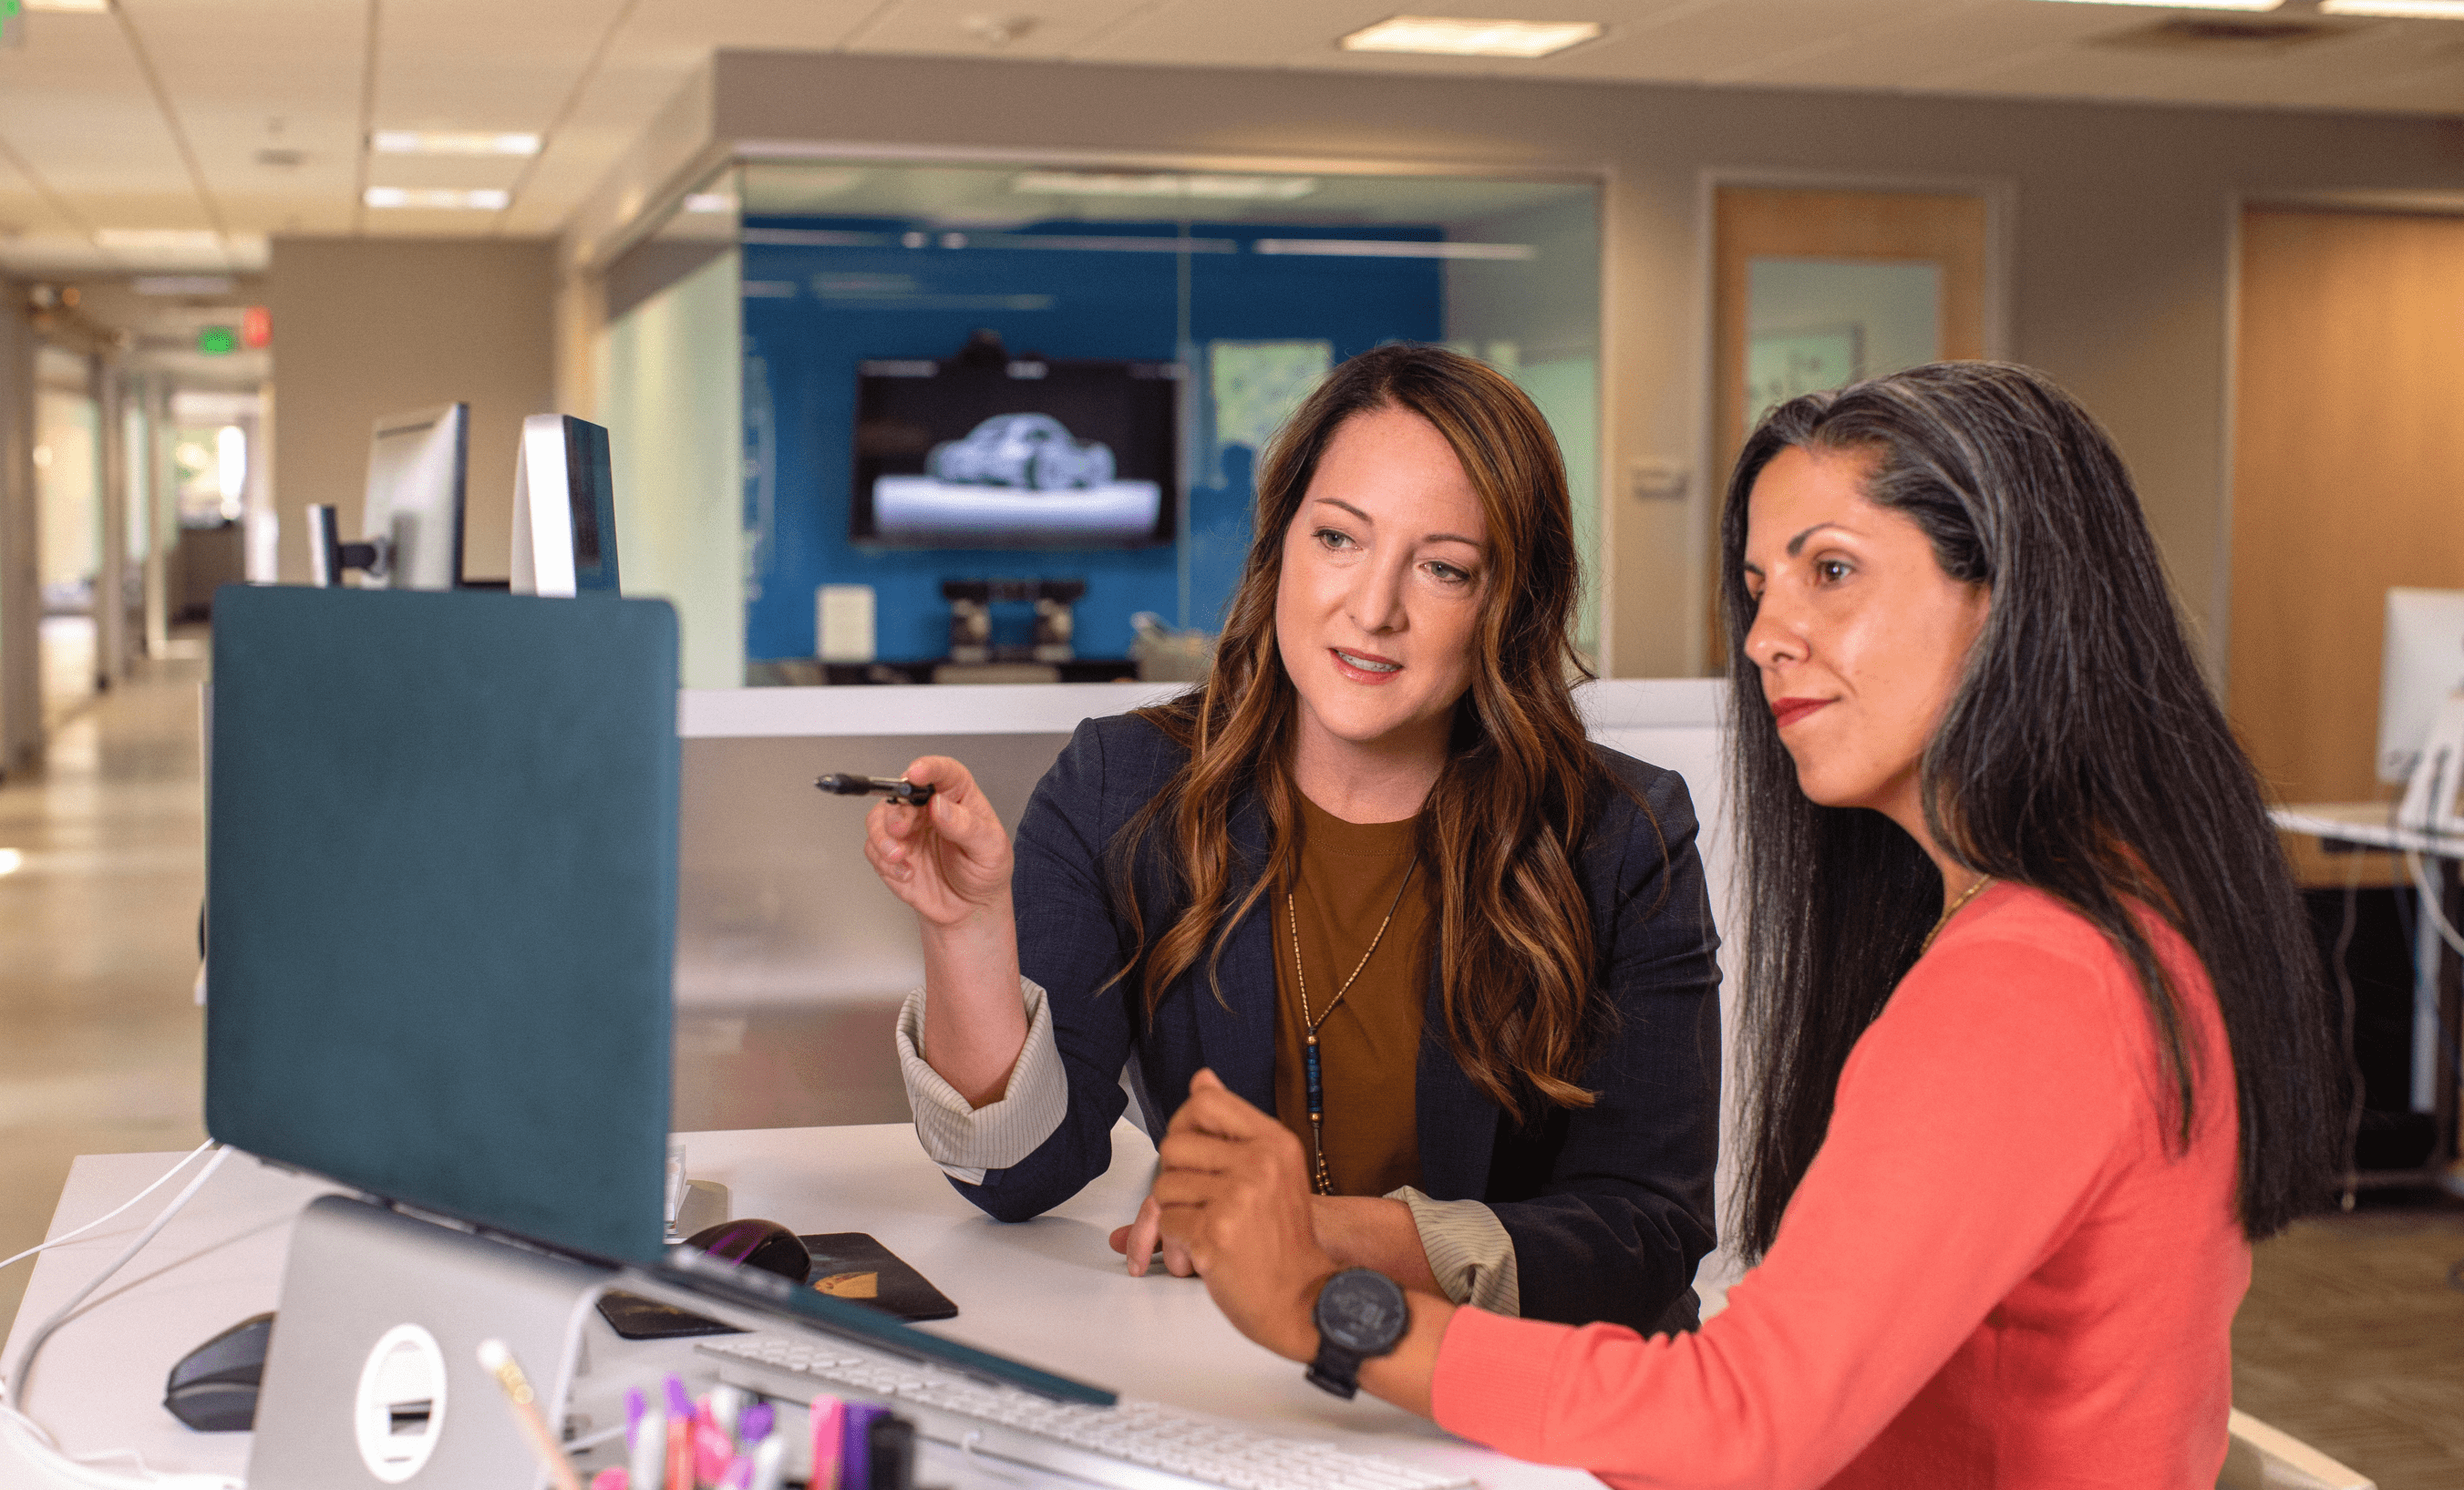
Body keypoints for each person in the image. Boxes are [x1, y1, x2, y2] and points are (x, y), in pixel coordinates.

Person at [1149, 361, 2348, 1483]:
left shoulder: (2031, 980)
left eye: (1832, 570)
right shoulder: (2117, 914)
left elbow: (1747, 1420)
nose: (1769, 634)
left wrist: (1328, 1309)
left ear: (2007, 600)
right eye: (1761, 586)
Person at [861, 343, 1722, 1331]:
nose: (1372, 609)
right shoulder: (1123, 786)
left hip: (1511, 1401)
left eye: (1443, 568)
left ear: (1507, 606)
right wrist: (967, 928)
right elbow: (1018, 1176)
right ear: (1280, 547)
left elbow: (1645, 1235)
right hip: (1236, 1375)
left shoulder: (1619, 833)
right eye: (1339, 540)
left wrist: (1314, 1231)